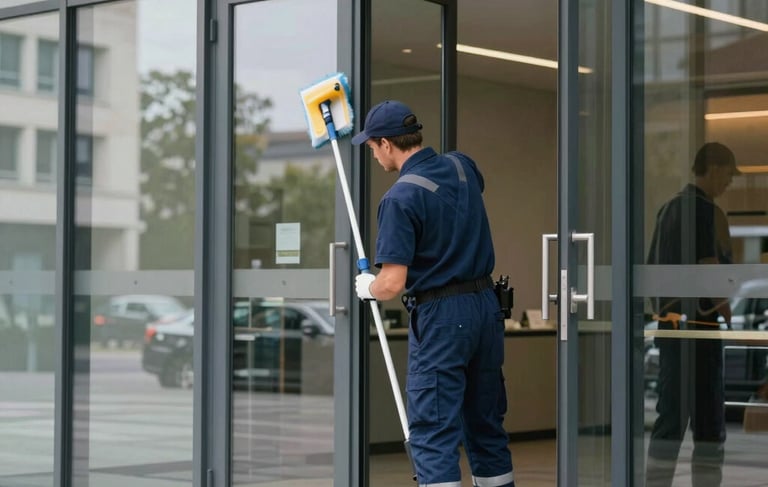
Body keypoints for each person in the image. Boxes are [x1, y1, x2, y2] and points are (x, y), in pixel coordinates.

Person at [351, 100, 514, 487]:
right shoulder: (464, 166)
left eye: (372, 147)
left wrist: (367, 288)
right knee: (485, 424)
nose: (373, 155)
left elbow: (391, 283)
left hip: (443, 317)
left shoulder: (398, 199)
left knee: (433, 433)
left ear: (387, 144)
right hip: (486, 307)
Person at [645, 142, 740, 487]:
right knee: (709, 423)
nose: (728, 184)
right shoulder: (704, 210)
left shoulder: (666, 209)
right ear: (714, 169)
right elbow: (709, 270)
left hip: (669, 329)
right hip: (699, 331)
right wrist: (728, 314)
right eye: (728, 176)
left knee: (669, 418)